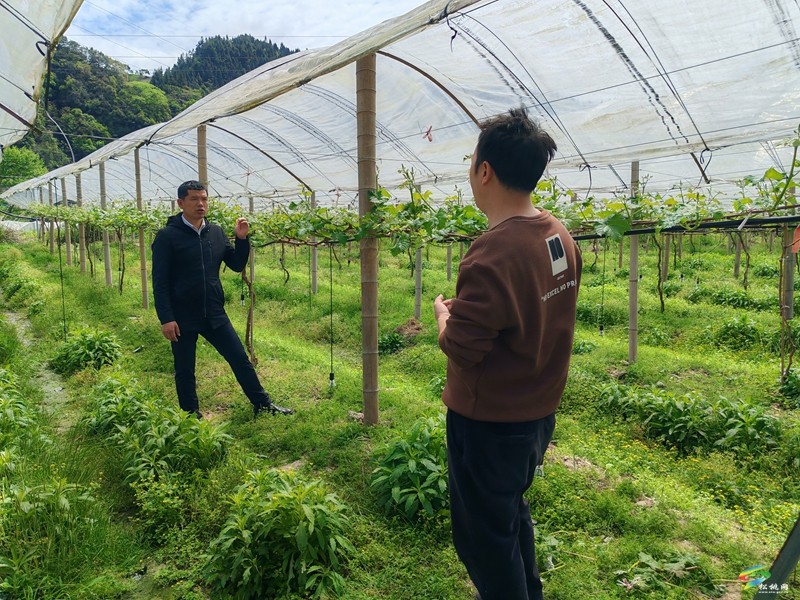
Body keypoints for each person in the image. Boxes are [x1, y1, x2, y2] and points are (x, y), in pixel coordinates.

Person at [433, 108, 581, 600]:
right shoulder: (558, 234)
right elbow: (525, 310)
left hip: (489, 426)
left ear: (485, 171)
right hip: (536, 414)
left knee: (483, 541)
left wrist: (444, 316)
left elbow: (463, 347)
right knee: (511, 512)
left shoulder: (493, 251)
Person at [152, 180, 292, 419]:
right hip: (182, 316)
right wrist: (167, 318)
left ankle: (262, 403)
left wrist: (241, 239)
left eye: (204, 199)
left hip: (214, 312)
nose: (201, 204)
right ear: (180, 203)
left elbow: (236, 265)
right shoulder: (168, 237)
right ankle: (191, 417)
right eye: (194, 199)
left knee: (239, 358)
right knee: (185, 369)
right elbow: (160, 281)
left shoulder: (215, 232)